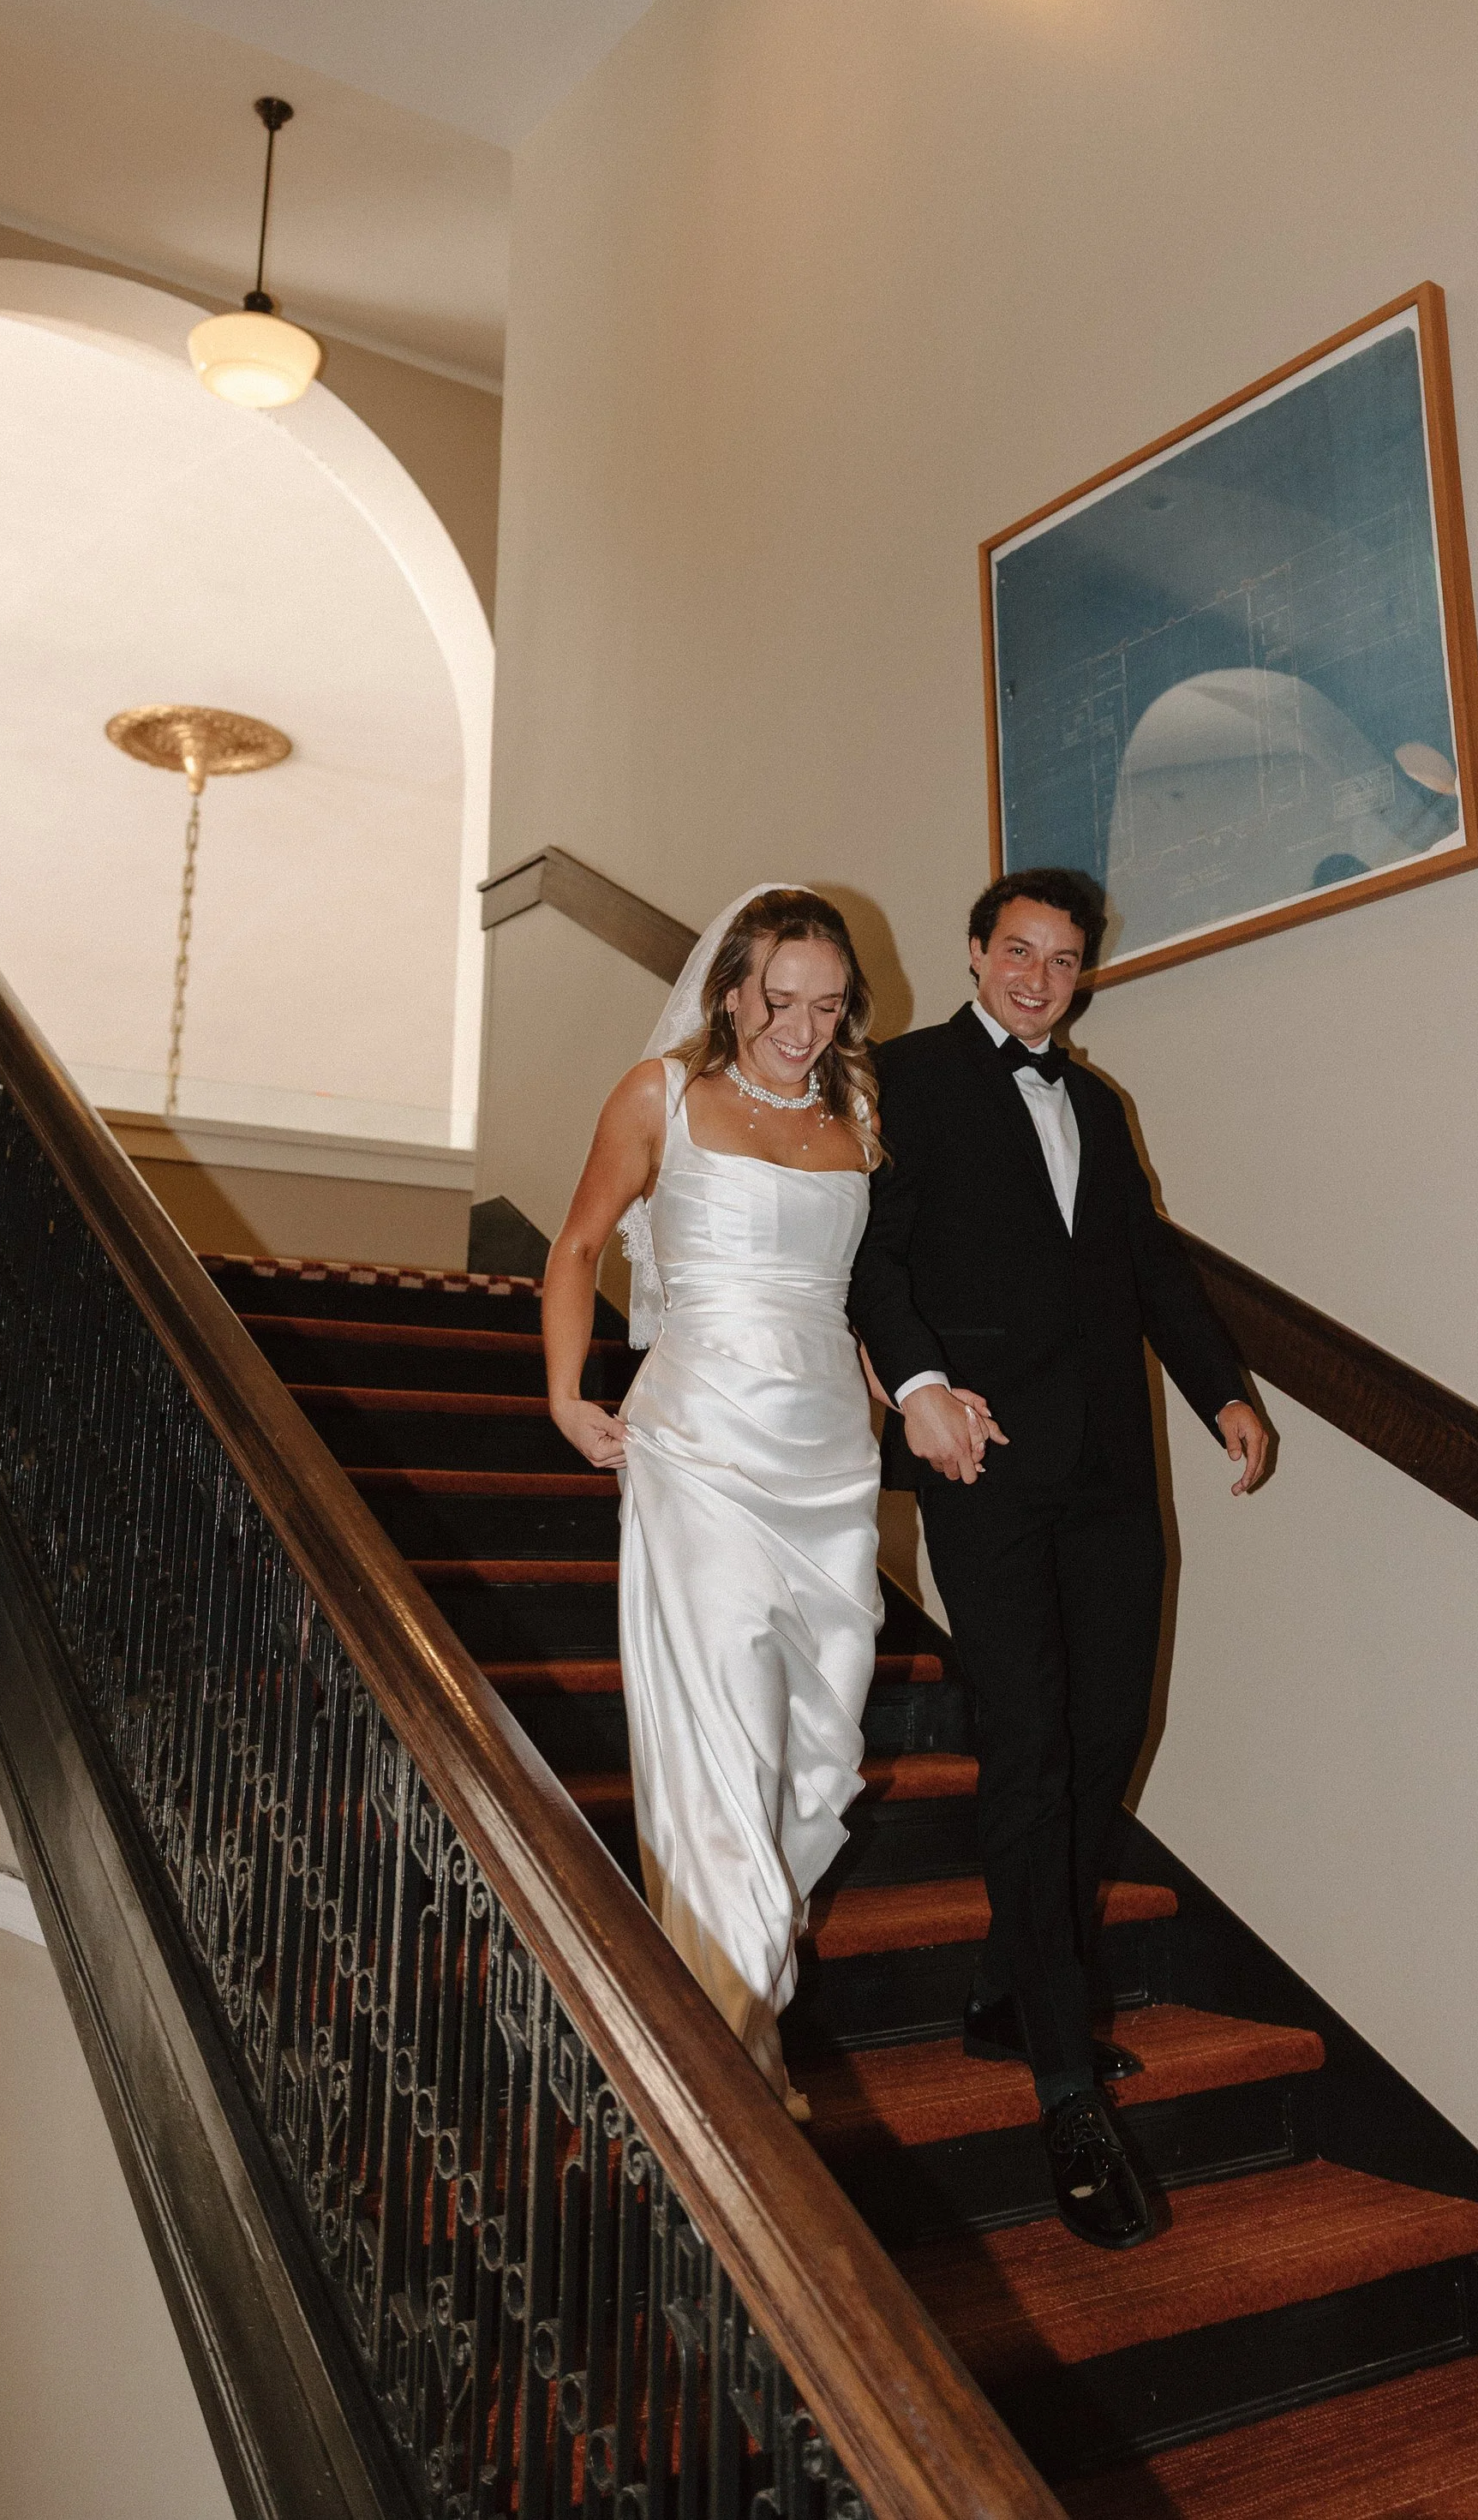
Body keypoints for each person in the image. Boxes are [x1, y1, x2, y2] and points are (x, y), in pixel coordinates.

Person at [847, 868, 1273, 2248]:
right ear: (974, 951)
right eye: (1017, 949)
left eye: (1064, 958)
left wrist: (1225, 1392)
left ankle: (1002, 1982)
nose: (1038, 974)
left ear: (1085, 975)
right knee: (1029, 1744)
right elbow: (872, 1261)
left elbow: (1148, 1268)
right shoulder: (903, 1079)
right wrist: (916, 1385)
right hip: (981, 1460)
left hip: (1107, 1475)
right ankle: (1065, 2080)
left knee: (1106, 1733)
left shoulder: (1097, 1103)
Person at [543, 885, 934, 2122]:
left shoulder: (855, 1109)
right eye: (781, 1000)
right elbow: (576, 1244)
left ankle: (737, 2008)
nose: (803, 1028)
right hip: (699, 1451)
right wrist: (565, 1394)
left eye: (827, 1006)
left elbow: (858, 1291)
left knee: (814, 1754)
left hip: (831, 1465)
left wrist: (921, 1396)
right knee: (726, 1752)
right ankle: (726, 2068)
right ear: (731, 989)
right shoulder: (658, 1095)